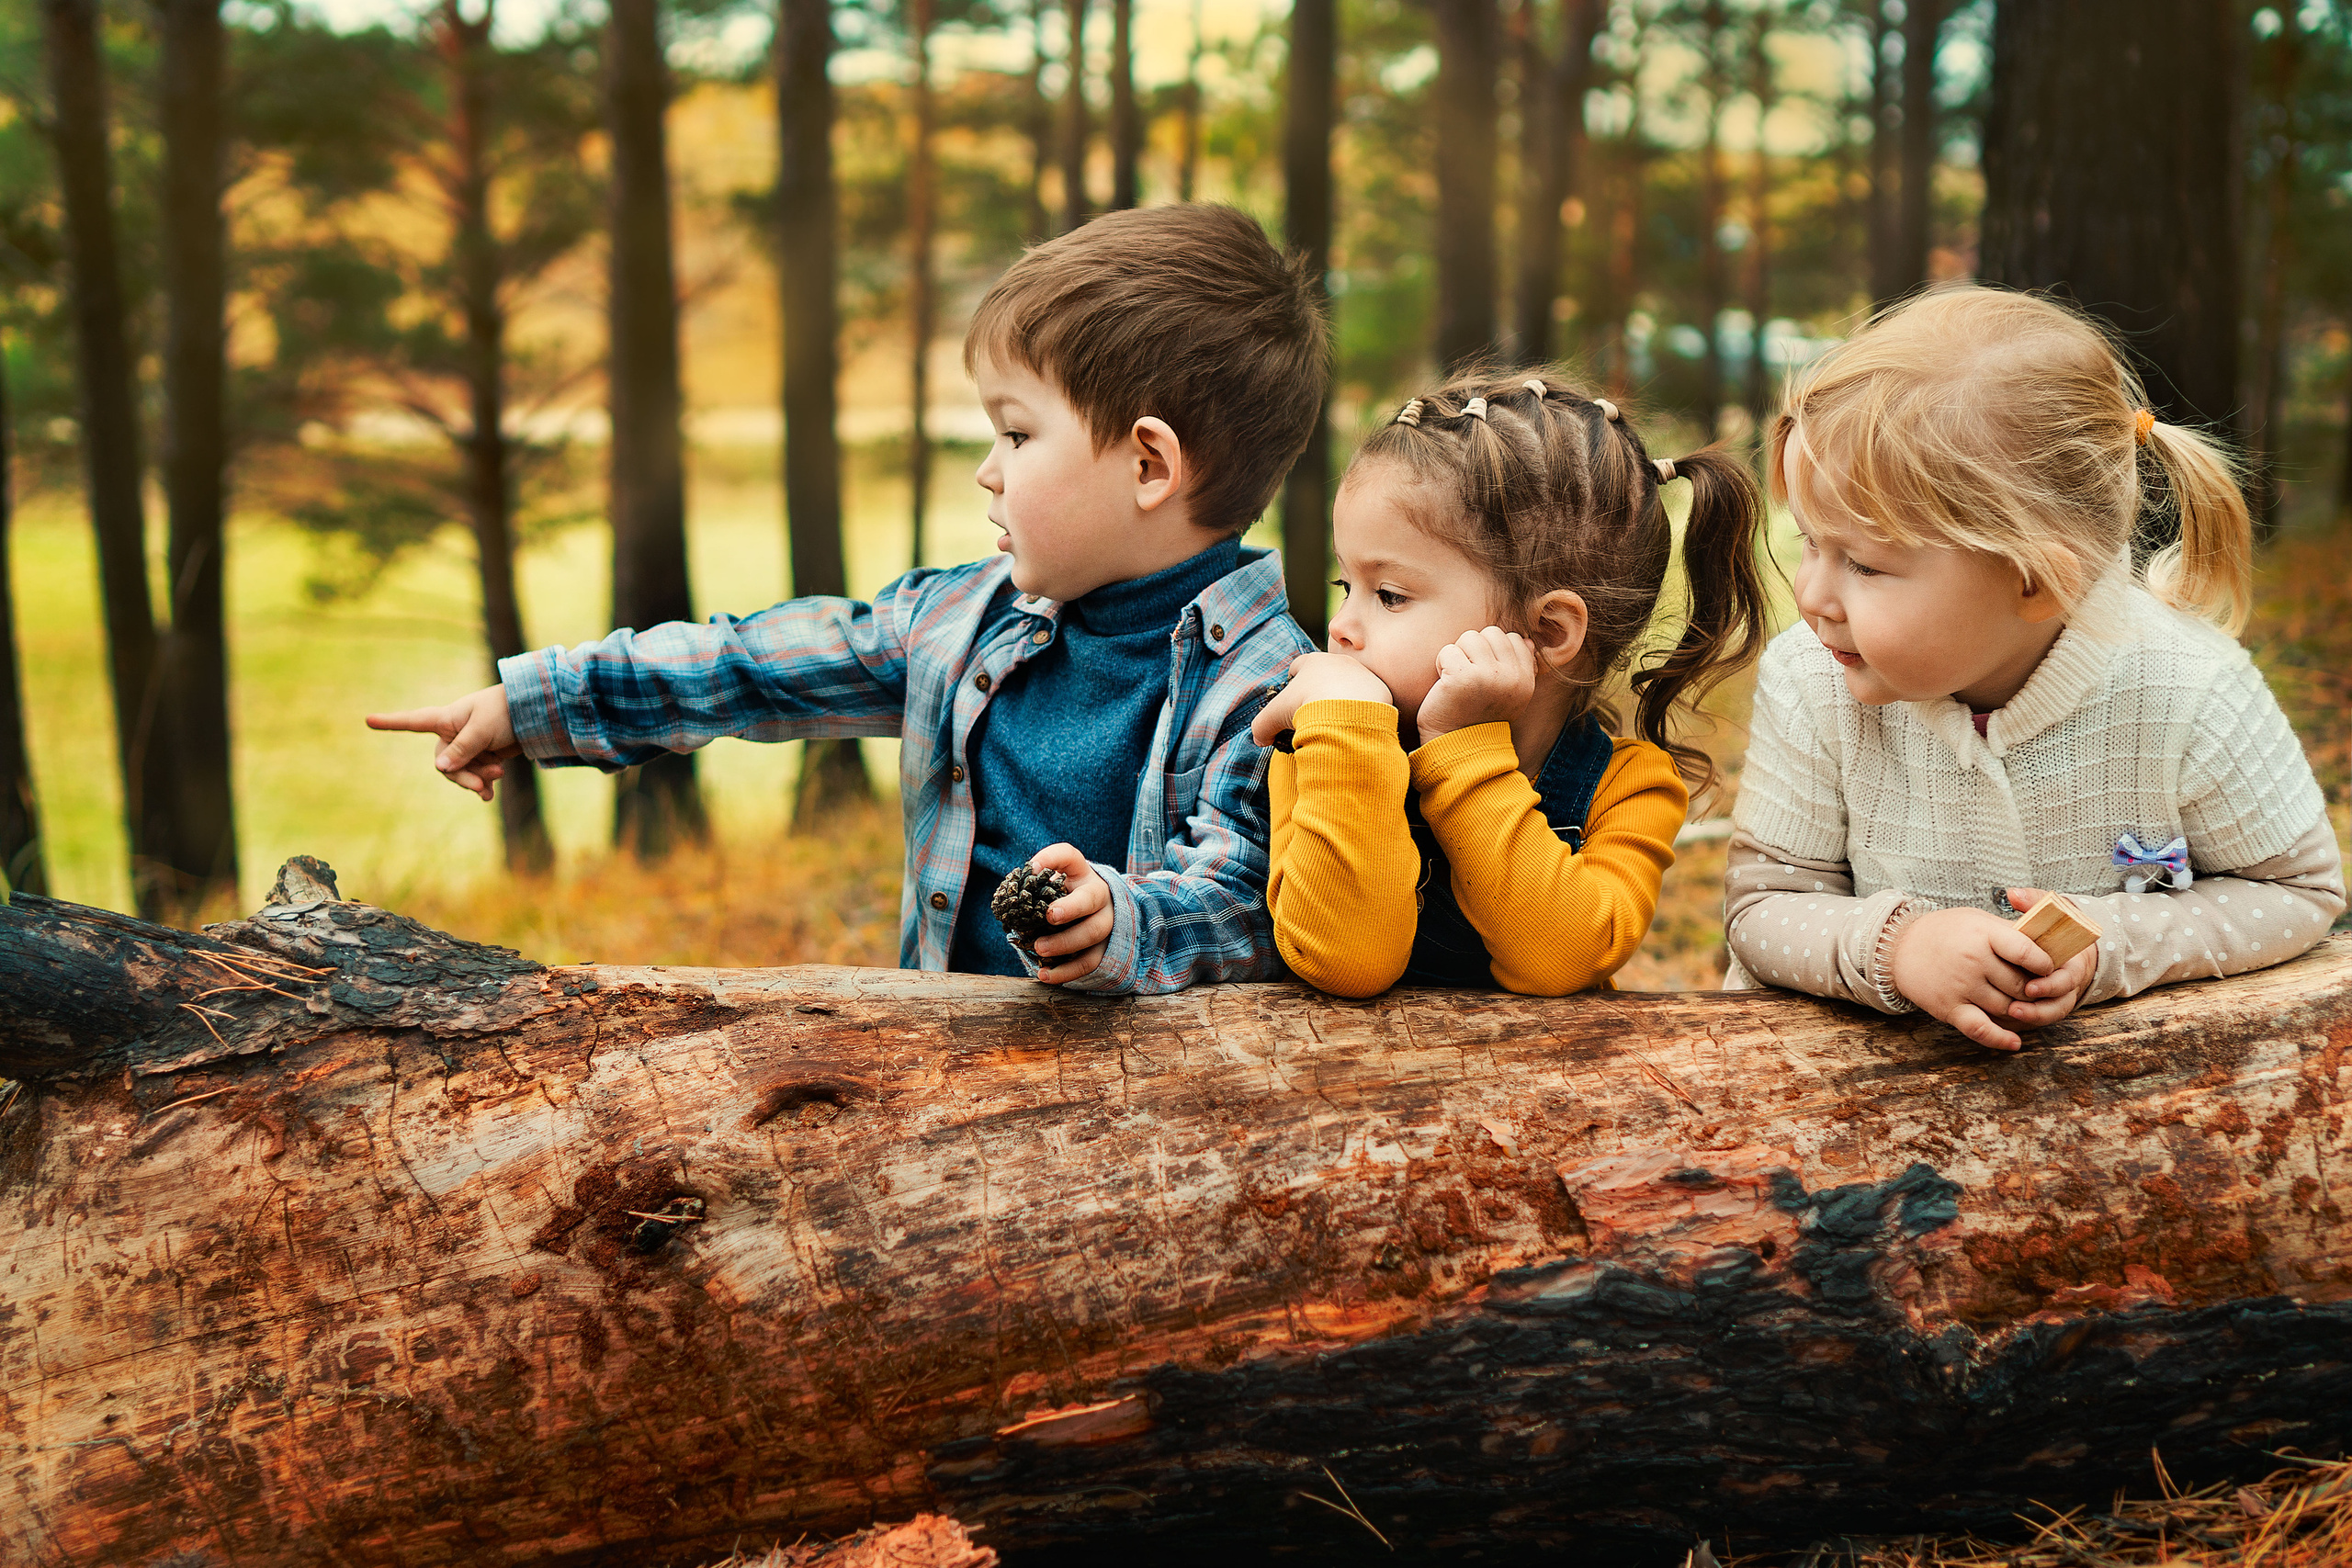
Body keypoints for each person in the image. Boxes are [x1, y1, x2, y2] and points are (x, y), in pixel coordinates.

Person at [368, 205, 1327, 994]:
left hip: (1148, 1132)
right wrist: (536, 705)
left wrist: (1122, 921)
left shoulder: (1269, 690)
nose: (988, 473)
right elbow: (752, 668)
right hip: (933, 1077)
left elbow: (1248, 901)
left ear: (1148, 463)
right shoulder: (961, 624)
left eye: (1018, 435)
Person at [1728, 284, 2346, 1051]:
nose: (1813, 594)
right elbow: (1764, 906)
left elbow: (2296, 889)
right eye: (1811, 543)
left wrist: (2108, 942)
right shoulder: (1812, 679)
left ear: (2035, 582)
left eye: (1864, 564)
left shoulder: (2189, 690)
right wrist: (1897, 946)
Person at [1249, 370, 1770, 998]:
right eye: (1345, 587)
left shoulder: (1629, 791)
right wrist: (1346, 731)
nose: (1340, 629)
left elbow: (1560, 959)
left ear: (1549, 632)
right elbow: (1347, 960)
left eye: (1388, 595)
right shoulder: (1329, 740)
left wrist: (1463, 752)